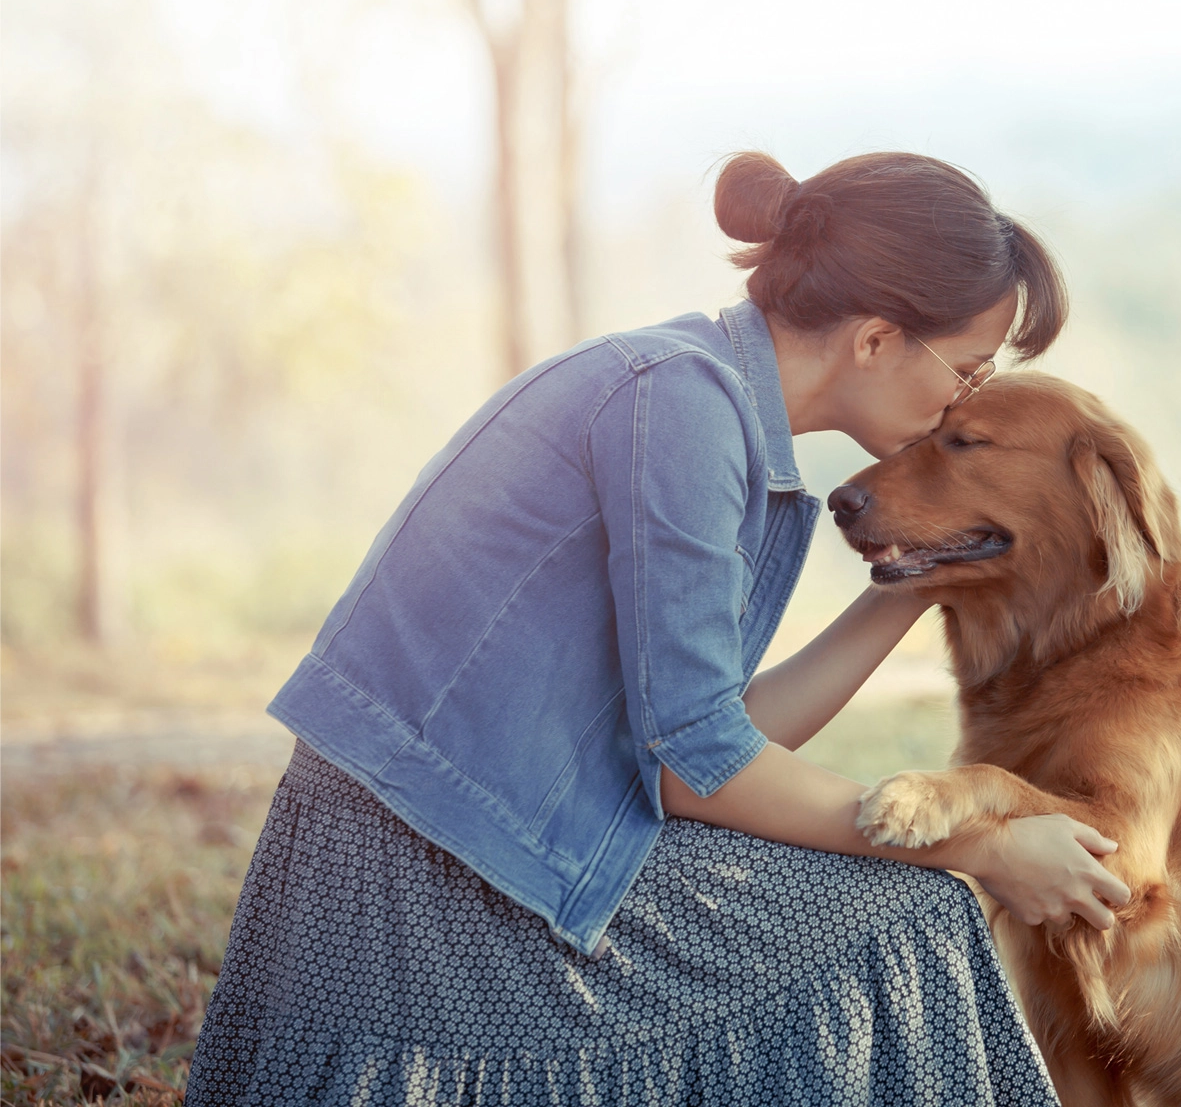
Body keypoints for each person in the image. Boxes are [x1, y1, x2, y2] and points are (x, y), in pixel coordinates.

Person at [184, 150, 1129, 1106]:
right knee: (907, 920)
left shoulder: (702, 395)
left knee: (893, 910)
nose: (963, 404)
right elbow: (694, 770)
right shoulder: (678, 405)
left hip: (506, 837)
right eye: (968, 371)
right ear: (878, 339)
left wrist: (912, 582)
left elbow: (711, 736)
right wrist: (981, 847)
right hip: (424, 878)